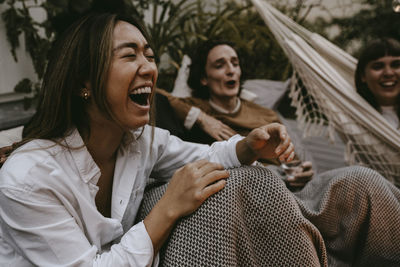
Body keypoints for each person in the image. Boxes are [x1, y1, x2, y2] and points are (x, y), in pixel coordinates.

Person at [0, 12, 298, 266]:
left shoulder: (139, 141)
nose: (150, 68)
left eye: (150, 56)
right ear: (83, 82)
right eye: (130, 55)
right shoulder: (28, 179)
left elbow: (207, 157)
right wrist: (168, 208)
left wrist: (249, 146)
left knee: (258, 180)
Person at [157, 40, 313, 188]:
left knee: (336, 178)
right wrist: (200, 117)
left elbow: (292, 162)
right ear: (204, 78)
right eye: (219, 66)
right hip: (243, 183)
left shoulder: (265, 114)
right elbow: (156, 94)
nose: (230, 70)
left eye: (235, 64)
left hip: (284, 183)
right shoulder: (195, 107)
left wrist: (302, 172)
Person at [355, 37, 400, 130]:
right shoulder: (352, 119)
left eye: (396, 65)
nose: (388, 73)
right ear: (363, 75)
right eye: (378, 67)